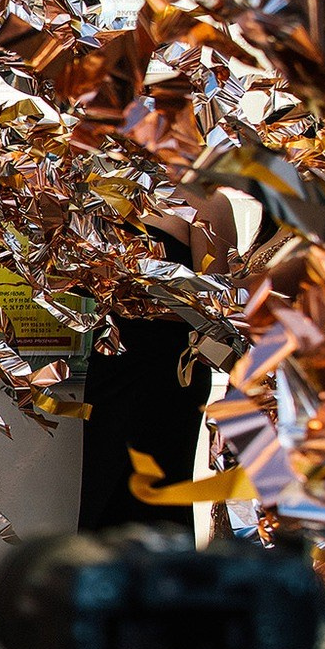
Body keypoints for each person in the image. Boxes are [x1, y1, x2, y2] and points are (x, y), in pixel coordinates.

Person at [76, 191, 237, 532]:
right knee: (103, 492)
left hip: (171, 370)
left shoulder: (208, 199)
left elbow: (217, 305)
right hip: (113, 364)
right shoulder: (110, 188)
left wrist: (138, 299)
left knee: (159, 495)